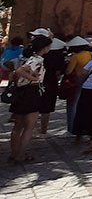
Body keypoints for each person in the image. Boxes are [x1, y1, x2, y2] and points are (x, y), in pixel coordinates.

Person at [8, 35, 52, 163]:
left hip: (21, 92)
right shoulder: (37, 60)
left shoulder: (27, 58)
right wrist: (35, 79)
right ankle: (20, 154)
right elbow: (20, 71)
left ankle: (14, 152)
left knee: (18, 126)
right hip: (31, 92)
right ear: (44, 48)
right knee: (28, 126)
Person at [64, 36, 92, 134]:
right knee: (84, 104)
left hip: (77, 79)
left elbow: (68, 71)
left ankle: (72, 128)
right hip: (88, 79)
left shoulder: (75, 57)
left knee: (72, 104)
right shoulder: (91, 54)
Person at [37, 38, 67, 135]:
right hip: (51, 82)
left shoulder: (41, 57)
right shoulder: (60, 57)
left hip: (38, 81)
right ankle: (43, 129)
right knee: (47, 107)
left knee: (35, 106)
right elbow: (60, 71)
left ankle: (32, 128)